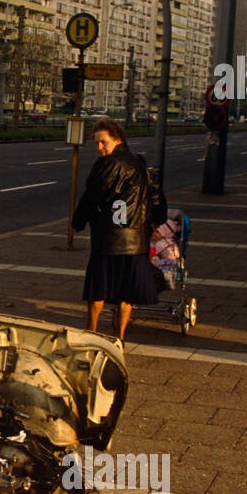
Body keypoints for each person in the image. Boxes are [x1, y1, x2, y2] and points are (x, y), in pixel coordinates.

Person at [71, 118, 166, 341]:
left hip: (109, 239)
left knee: (98, 291)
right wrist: (157, 221)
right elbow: (156, 195)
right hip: (136, 241)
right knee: (127, 293)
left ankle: (92, 332)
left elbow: (92, 196)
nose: (99, 148)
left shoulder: (106, 165)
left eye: (103, 142)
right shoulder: (139, 162)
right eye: (96, 143)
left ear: (117, 139)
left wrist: (78, 221)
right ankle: (119, 337)